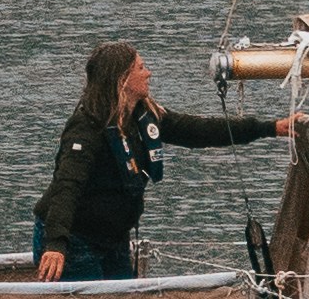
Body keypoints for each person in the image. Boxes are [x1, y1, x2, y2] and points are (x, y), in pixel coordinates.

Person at [32, 43, 286, 281]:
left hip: (112, 239)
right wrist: (56, 243)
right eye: (141, 68)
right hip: (76, 240)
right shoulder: (86, 129)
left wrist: (269, 128)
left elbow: (198, 131)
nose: (148, 73)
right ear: (122, 80)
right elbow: (67, 186)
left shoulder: (144, 115)